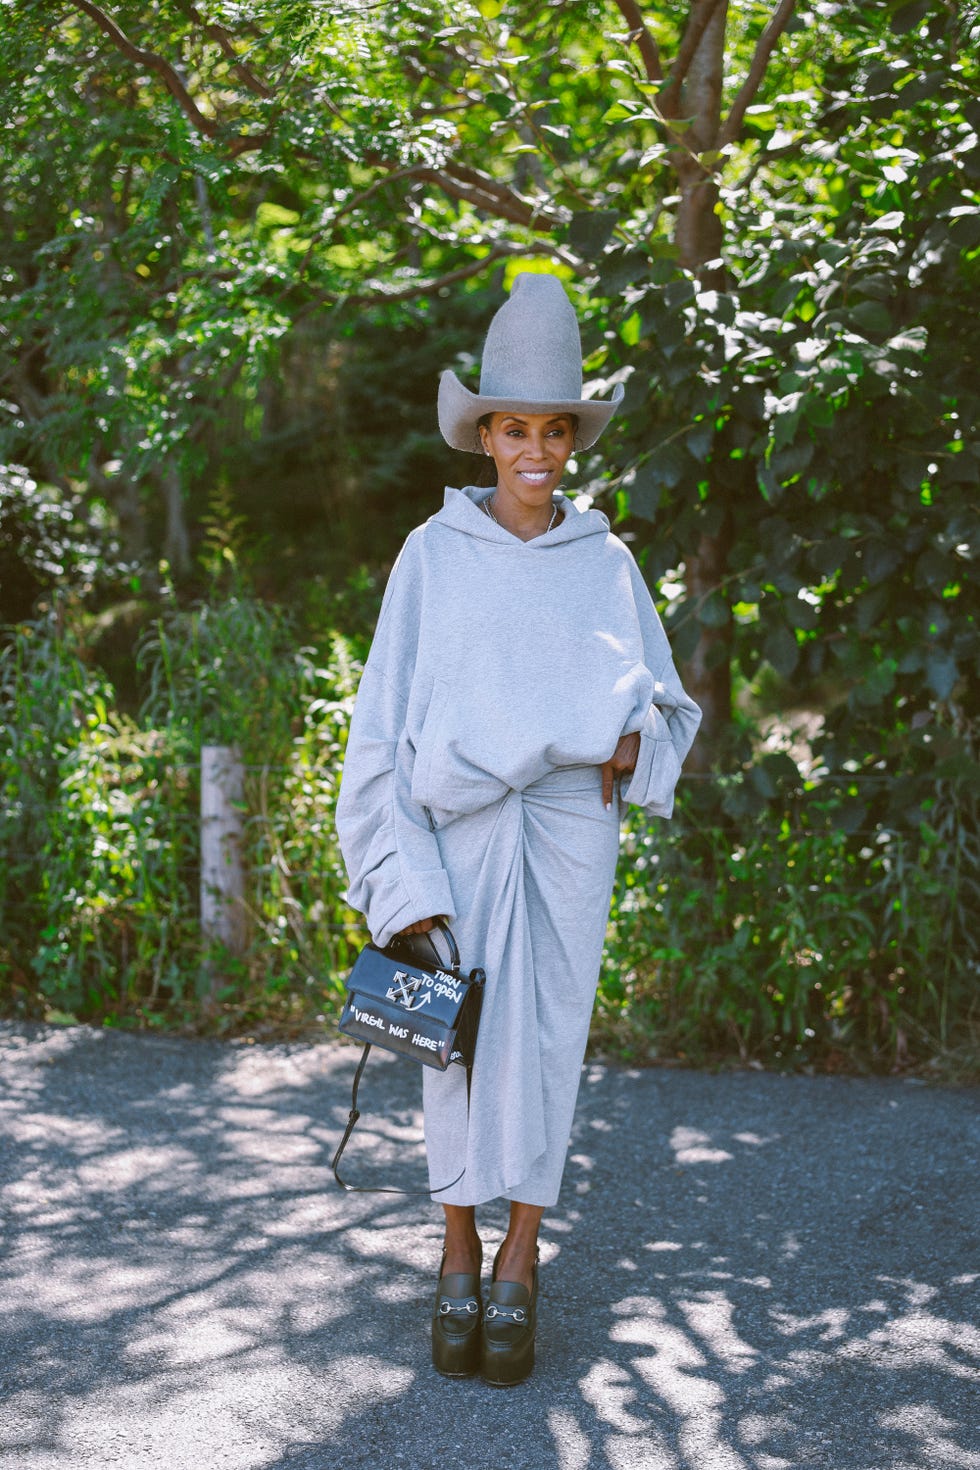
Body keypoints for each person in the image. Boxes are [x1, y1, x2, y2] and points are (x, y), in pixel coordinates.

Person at [335, 271, 701, 1386]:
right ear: (482, 436)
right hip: (453, 836)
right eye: (512, 429)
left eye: (552, 429)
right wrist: (398, 878)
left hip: (567, 837)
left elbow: (666, 707)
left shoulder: (605, 564)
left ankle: (522, 1256)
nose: (533, 450)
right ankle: (452, 1246)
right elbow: (383, 730)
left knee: (544, 1044)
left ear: (569, 440)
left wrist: (630, 737)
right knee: (453, 1040)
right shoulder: (430, 556)